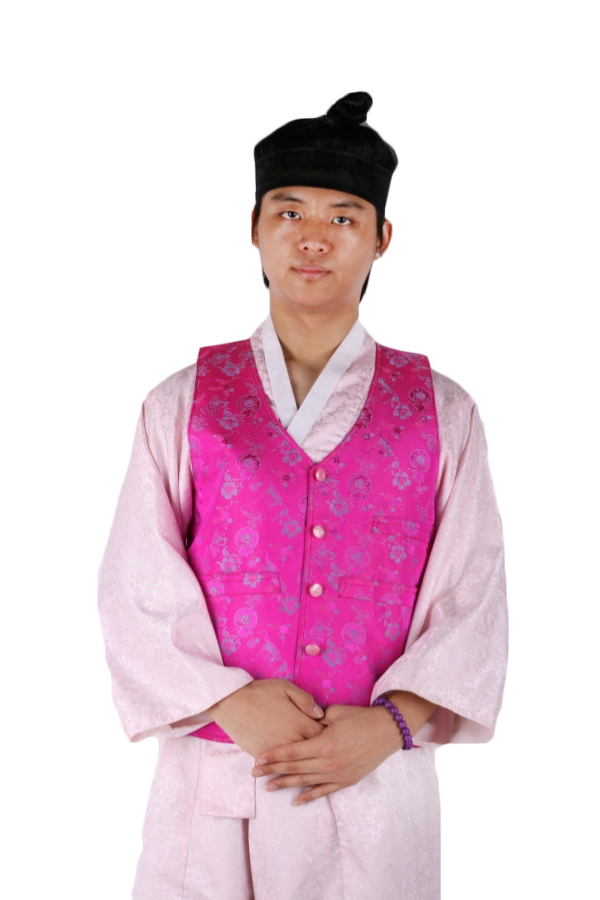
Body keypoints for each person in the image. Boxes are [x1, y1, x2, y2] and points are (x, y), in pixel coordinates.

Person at [97, 91, 508, 900]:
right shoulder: (184, 404)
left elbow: (472, 594)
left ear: (382, 238)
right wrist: (228, 703)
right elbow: (134, 583)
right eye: (288, 212)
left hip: (376, 782)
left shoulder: (442, 413)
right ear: (254, 228)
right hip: (215, 771)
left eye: (343, 217)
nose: (313, 237)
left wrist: (391, 724)